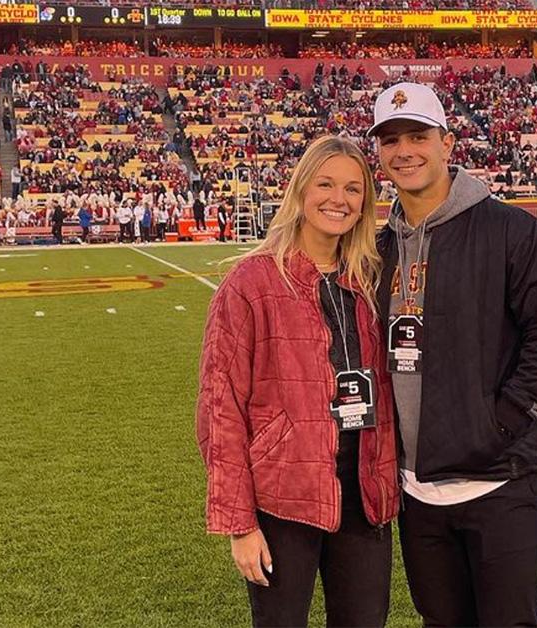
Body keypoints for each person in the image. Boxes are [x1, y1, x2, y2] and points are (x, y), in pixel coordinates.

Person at [367, 82, 537, 627]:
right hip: (416, 489)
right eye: (390, 139)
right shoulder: (378, 248)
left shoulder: (513, 232)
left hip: (500, 479)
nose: (405, 151)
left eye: (417, 135)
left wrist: (501, 421)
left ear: (447, 142)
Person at [196, 135, 399, 628]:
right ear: (301, 191)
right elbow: (220, 409)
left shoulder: (371, 279)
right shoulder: (252, 283)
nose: (339, 199)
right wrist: (240, 524)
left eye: (353, 189)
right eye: (325, 184)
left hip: (364, 492)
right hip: (284, 495)